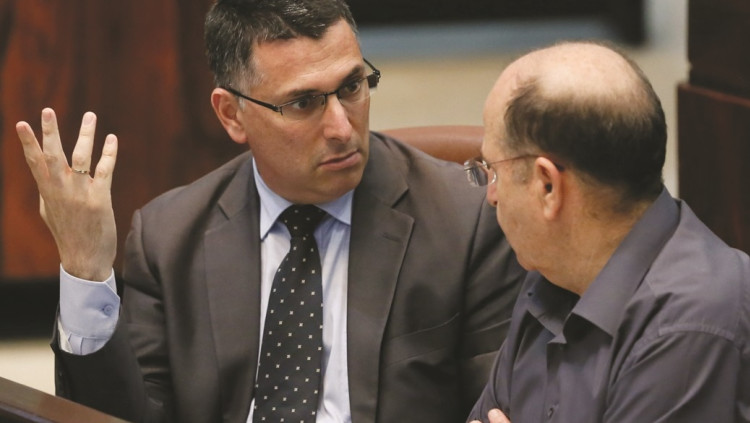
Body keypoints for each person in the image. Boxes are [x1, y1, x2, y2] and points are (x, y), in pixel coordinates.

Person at [15, 0, 526, 422]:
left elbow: (501, 401)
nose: (342, 127)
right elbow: (119, 417)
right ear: (231, 115)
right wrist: (86, 269)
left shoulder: (466, 218)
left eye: (352, 87)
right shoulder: (170, 238)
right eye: (303, 103)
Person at [465, 41, 750, 423]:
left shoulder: (689, 327)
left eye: (493, 170)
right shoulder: (553, 269)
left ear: (547, 186)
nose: (491, 195)